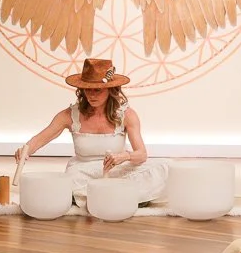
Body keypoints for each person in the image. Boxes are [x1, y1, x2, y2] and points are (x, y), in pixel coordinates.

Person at [15, 58, 169, 206]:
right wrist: (25, 150)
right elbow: (41, 138)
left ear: (110, 90)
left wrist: (125, 156)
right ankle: (122, 198)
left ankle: (108, 197)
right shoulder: (70, 115)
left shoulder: (126, 114)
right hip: (83, 172)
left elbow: (142, 154)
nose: (92, 95)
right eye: (88, 90)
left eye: (97, 90)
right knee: (69, 182)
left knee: (163, 168)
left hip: (116, 169)